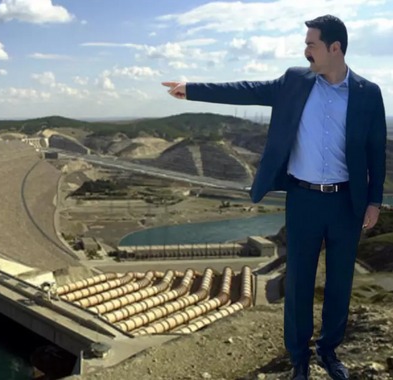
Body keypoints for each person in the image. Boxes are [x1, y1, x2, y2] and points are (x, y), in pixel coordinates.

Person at [162, 15, 386, 380]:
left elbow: (377, 150)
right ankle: (299, 359)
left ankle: (329, 351)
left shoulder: (368, 93)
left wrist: (373, 200)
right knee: (298, 282)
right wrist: (193, 89)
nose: (305, 50)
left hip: (347, 202)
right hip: (304, 200)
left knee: (340, 281)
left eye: (312, 43)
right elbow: (247, 89)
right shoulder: (295, 82)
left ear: (335, 48)